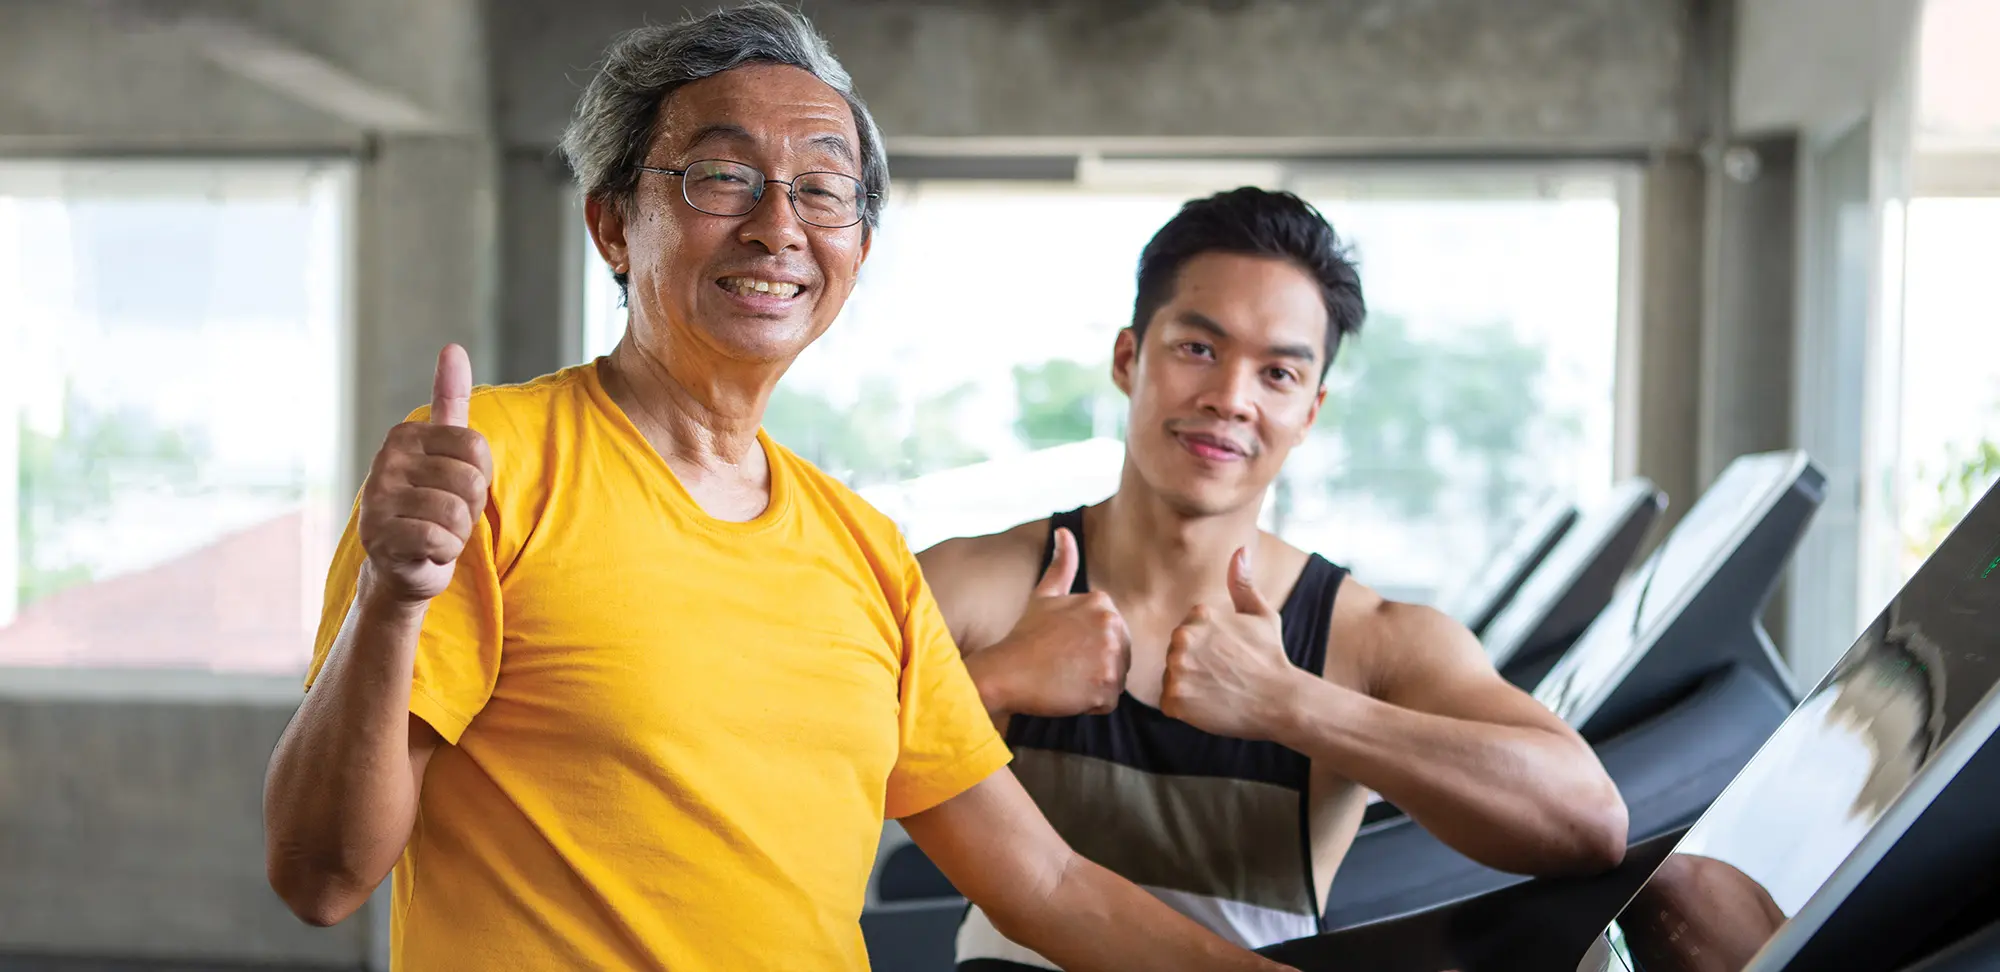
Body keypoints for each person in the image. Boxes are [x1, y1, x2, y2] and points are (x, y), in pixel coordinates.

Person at [259, 5, 1293, 971]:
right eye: (720, 176)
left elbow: (1043, 880)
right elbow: (320, 876)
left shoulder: (864, 548)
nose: (776, 224)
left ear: (856, 250)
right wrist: (390, 601)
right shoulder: (488, 462)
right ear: (614, 226)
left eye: (823, 188)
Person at [917, 187, 1632, 967]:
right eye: (1198, 350)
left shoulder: (1368, 641)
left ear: (1311, 410)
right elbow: (788, 768)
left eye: (1279, 375)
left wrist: (1292, 703)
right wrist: (987, 684)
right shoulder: (981, 588)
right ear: (1129, 359)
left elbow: (1587, 822)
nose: (1230, 399)